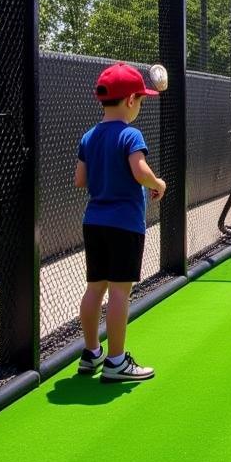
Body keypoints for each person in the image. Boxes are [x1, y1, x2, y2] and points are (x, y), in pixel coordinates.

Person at [74, 63, 165, 382]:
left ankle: (90, 353)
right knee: (119, 293)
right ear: (129, 101)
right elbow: (139, 170)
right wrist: (157, 184)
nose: (139, 106)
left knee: (94, 288)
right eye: (140, 100)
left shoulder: (89, 136)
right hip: (124, 225)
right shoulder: (130, 134)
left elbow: (80, 180)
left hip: (94, 223)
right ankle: (115, 361)